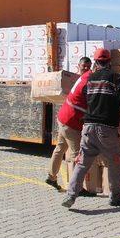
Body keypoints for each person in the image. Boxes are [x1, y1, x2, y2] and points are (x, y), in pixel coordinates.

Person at [62, 49, 120, 208]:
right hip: (106, 129)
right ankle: (115, 197)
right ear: (110, 61)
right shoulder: (115, 78)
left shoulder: (90, 79)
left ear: (95, 62)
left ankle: (70, 195)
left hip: (88, 128)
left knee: (82, 163)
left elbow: (98, 97)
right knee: (115, 160)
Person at [45, 56, 93, 191]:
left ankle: (51, 176)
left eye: (88, 67)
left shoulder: (78, 80)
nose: (86, 68)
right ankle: (75, 187)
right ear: (78, 66)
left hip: (63, 118)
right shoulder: (84, 82)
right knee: (76, 155)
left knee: (60, 148)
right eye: (84, 66)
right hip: (71, 122)